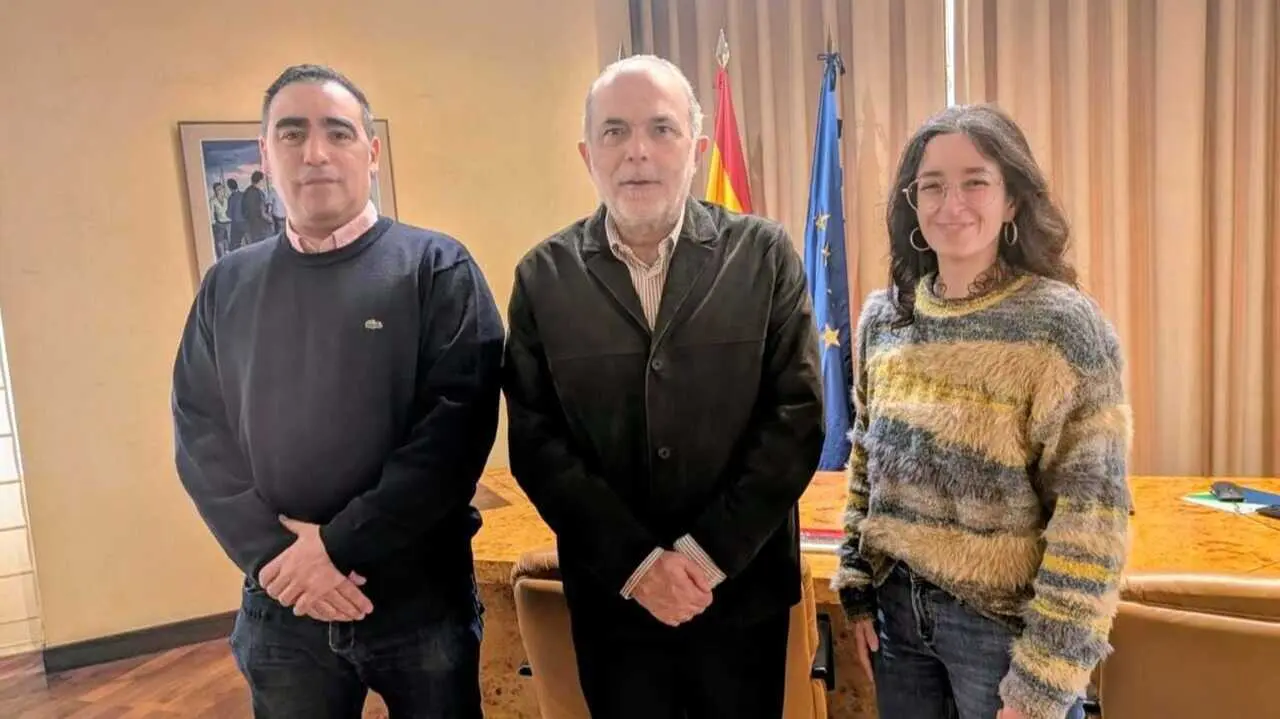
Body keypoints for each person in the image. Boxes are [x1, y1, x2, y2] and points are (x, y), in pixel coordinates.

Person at [171, 64, 503, 718]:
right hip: (281, 607)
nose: (314, 152)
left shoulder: (437, 269)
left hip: (419, 601)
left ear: (371, 152)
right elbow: (198, 434)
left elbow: (453, 438)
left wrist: (333, 549)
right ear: (265, 156)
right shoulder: (226, 287)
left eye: (338, 133)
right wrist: (277, 557)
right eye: (291, 134)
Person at [502, 55, 825, 719]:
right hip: (613, 600)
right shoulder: (543, 276)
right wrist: (639, 565)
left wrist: (704, 558)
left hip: (740, 599)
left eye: (661, 129)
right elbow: (538, 443)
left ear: (698, 148)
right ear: (588, 153)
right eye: (615, 132)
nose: (638, 152)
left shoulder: (764, 255)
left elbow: (796, 419)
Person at [832, 103, 1131, 719]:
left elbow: (1091, 517)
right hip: (897, 619)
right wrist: (858, 588)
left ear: (1013, 201)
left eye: (976, 181)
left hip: (1003, 632)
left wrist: (1044, 682)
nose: (952, 203)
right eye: (932, 185)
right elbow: (867, 460)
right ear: (912, 202)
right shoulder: (884, 319)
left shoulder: (1062, 326)